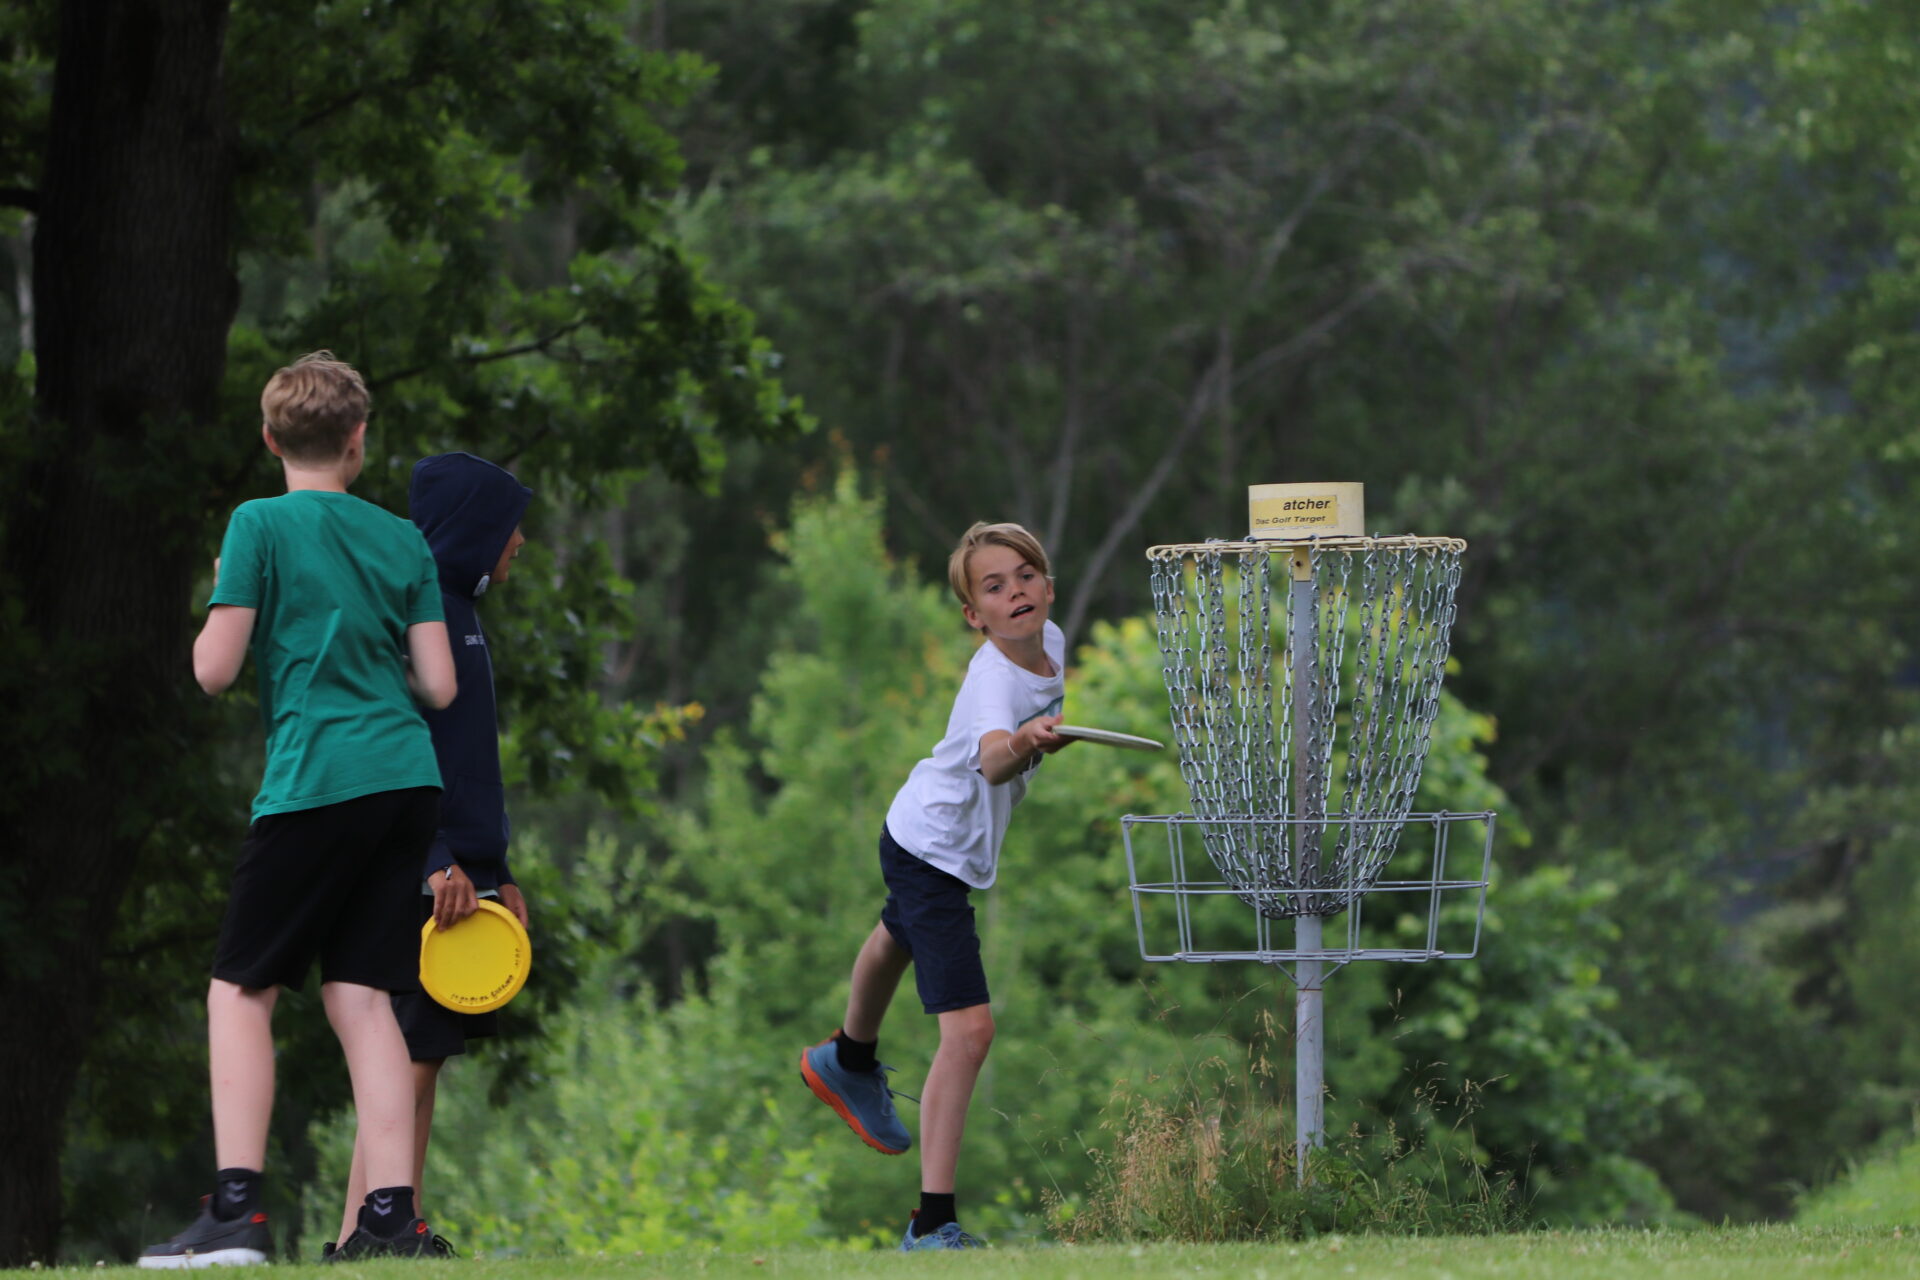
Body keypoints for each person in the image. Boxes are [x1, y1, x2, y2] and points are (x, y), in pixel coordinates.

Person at [139, 352, 458, 1268]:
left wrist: (228, 589)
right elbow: (437, 684)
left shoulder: (257, 525)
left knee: (240, 989)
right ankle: (391, 1220)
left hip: (316, 780)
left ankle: (236, 1212)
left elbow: (214, 668)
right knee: (361, 996)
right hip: (406, 782)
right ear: (358, 442)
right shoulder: (404, 541)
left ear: (272, 439)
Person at [799, 521, 1073, 1251]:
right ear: (972, 617)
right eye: (994, 586)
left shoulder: (1054, 645)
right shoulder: (992, 673)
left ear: (1047, 585)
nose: (1014, 591)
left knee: (897, 930)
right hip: (934, 850)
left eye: (1025, 575)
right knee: (971, 1033)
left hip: (925, 835)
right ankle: (932, 1222)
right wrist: (1028, 742)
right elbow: (991, 761)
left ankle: (847, 1059)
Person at [328, 452, 532, 1258]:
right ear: (474, 529)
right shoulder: (419, 617)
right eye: (511, 527)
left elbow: (473, 765)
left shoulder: (463, 613)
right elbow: (399, 745)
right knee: (408, 1053)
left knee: (425, 1056)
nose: (519, 544)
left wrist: (499, 873)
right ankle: (369, 1234)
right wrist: (438, 858)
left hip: (466, 878)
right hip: (427, 873)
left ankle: (377, 1231)